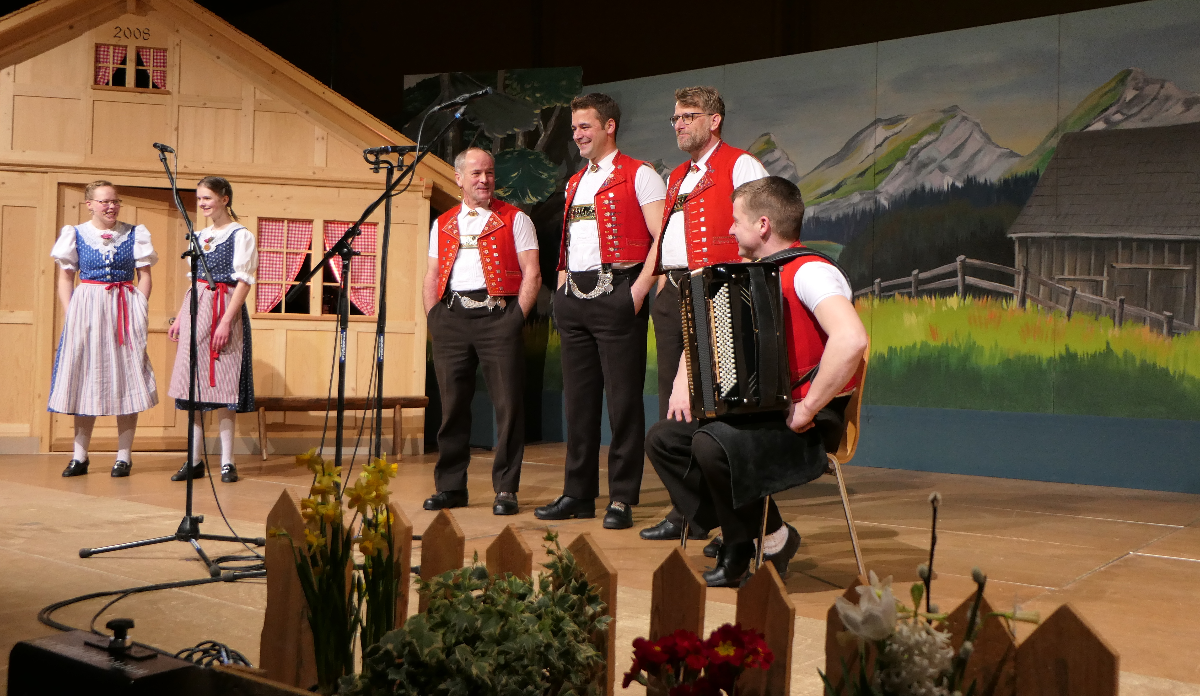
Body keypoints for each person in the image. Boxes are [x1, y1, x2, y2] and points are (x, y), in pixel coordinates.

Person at [645, 176, 868, 587]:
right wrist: (682, 381)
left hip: (812, 419)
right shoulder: (750, 276)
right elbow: (705, 333)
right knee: (665, 438)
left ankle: (739, 545)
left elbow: (852, 339)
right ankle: (768, 534)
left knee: (711, 443)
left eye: (736, 221)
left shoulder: (812, 273)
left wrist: (808, 408)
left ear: (763, 225)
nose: (730, 230)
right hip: (762, 411)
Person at [641, 86, 770, 543]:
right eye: (675, 118)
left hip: (715, 293)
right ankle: (687, 510)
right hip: (673, 292)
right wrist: (657, 282)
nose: (679, 124)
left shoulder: (740, 164)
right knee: (673, 404)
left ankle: (727, 515)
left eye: (688, 116)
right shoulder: (678, 175)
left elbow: (764, 228)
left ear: (714, 120)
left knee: (714, 405)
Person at [534, 93, 666, 529]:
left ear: (609, 126)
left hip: (618, 294)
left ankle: (622, 497)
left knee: (623, 403)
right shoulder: (576, 181)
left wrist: (638, 292)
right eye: (574, 128)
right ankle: (578, 494)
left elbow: (662, 239)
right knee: (578, 404)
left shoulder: (640, 175)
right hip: (573, 298)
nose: (577, 135)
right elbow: (573, 241)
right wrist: (560, 289)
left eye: (585, 126)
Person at [422, 147, 540, 516]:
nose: (484, 180)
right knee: (452, 407)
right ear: (459, 178)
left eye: (489, 173)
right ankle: (451, 487)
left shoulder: (516, 219)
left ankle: (505, 489)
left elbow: (532, 273)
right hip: (451, 319)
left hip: (497, 318)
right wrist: (434, 316)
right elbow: (432, 274)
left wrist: (514, 320)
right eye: (476, 173)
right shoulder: (443, 223)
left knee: (508, 407)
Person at [50, 181, 159, 478]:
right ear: (90, 204)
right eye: (104, 202)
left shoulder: (134, 233)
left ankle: (124, 456)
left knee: (127, 376)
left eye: (115, 201)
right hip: (87, 307)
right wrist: (72, 313)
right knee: (85, 377)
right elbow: (65, 278)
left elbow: (145, 275)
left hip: (123, 307)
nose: (111, 207)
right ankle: (79, 456)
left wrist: (139, 307)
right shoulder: (76, 234)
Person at [167, 176, 257, 484]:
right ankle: (194, 459)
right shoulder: (199, 236)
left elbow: (244, 282)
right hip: (198, 306)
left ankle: (227, 462)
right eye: (199, 198)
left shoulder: (240, 235)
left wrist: (226, 321)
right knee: (194, 384)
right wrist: (181, 317)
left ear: (224, 199)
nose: (202, 203)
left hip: (225, 306)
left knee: (224, 384)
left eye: (207, 198)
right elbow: (194, 281)